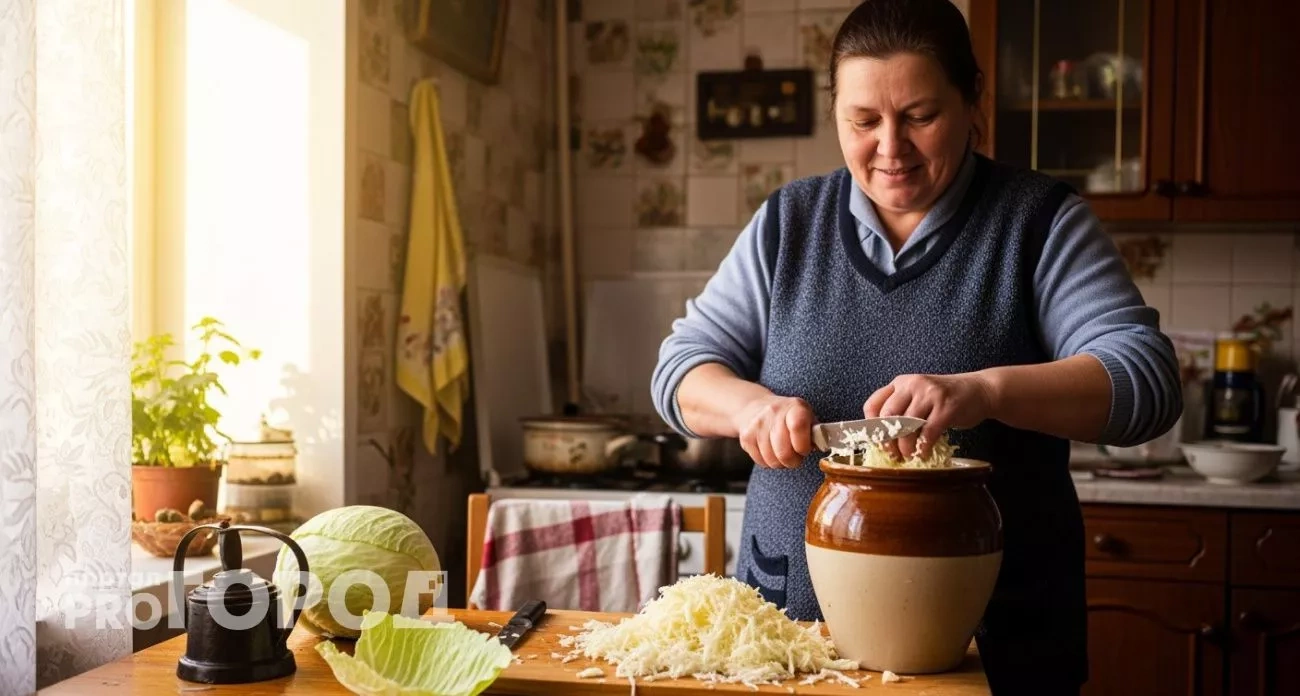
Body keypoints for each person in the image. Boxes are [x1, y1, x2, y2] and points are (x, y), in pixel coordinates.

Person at [649, 0, 1182, 694]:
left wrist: (983, 391)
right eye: (863, 121)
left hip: (992, 650)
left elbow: (1146, 379)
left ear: (972, 101)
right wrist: (750, 408)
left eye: (920, 116)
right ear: (836, 111)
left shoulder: (1038, 223)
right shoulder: (788, 223)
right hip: (790, 646)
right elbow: (681, 369)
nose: (890, 148)